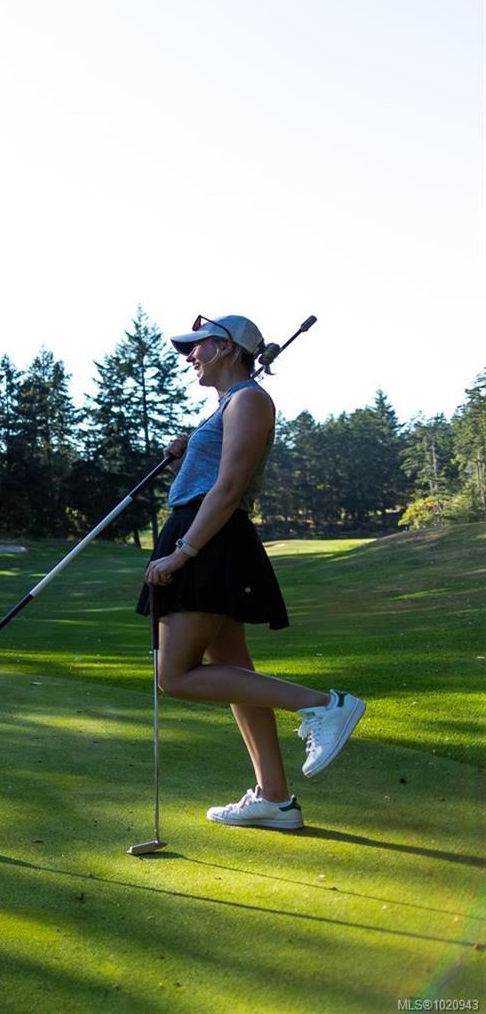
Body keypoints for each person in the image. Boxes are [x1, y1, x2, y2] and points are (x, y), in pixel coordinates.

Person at [138, 315, 365, 831]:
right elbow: (208, 478)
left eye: (197, 347)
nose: (189, 357)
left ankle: (325, 705)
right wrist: (182, 457)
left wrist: (183, 553)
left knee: (175, 677)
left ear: (225, 347)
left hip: (208, 540)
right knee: (235, 670)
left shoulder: (249, 401)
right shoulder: (227, 405)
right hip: (204, 534)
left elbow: (229, 487)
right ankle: (275, 798)